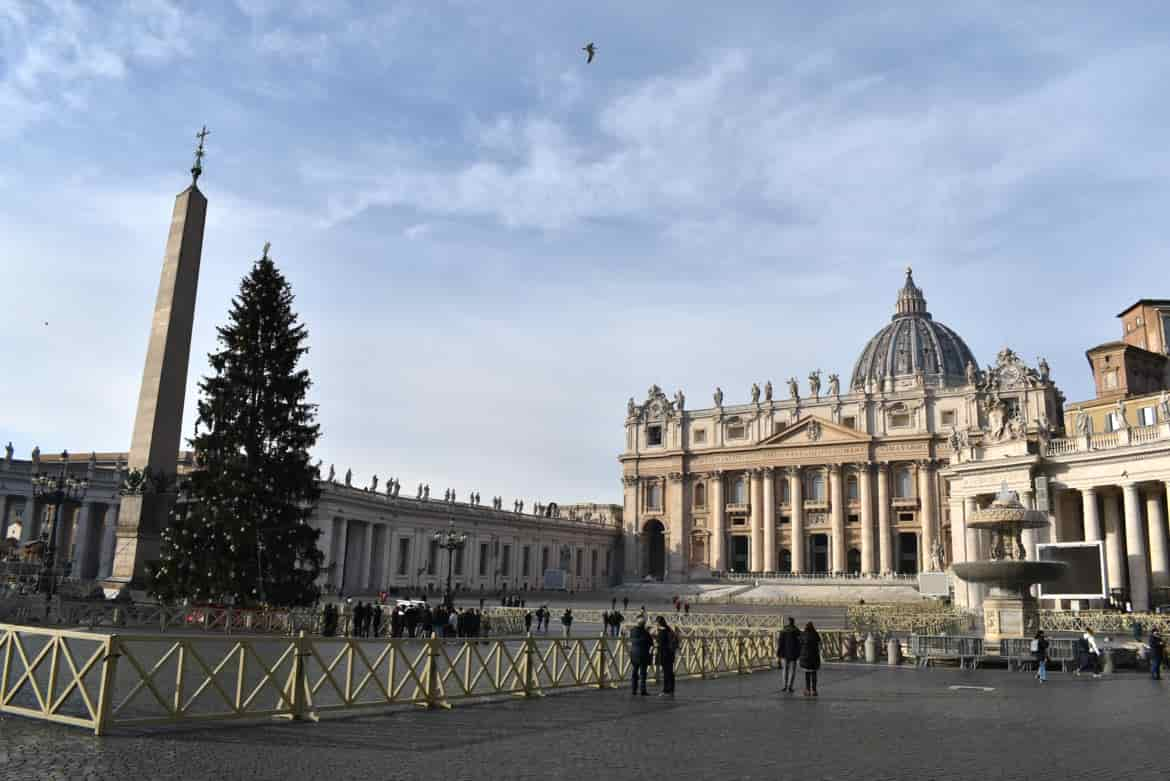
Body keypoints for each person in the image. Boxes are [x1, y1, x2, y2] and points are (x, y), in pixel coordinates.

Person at [629, 617, 653, 696]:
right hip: (643, 655)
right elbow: (650, 642)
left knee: (634, 672)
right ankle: (643, 690)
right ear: (644, 624)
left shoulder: (632, 631)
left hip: (634, 654)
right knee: (643, 674)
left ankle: (633, 690)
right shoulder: (645, 633)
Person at [777, 617, 802, 693]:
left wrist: (778, 653)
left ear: (787, 623)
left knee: (785, 670)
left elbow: (780, 643)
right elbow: (800, 643)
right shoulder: (797, 631)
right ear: (793, 622)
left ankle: (784, 686)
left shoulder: (783, 631)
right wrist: (799, 652)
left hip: (784, 653)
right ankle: (790, 687)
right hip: (794, 653)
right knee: (792, 671)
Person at [655, 616, 678, 697]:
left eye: (656, 623)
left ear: (658, 623)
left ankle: (666, 690)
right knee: (670, 672)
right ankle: (671, 690)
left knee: (666, 673)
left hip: (664, 654)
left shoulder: (662, 632)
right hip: (671, 654)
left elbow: (659, 643)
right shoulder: (669, 629)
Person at [799, 621, 821, 696]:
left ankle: (807, 690)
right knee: (814, 674)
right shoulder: (815, 634)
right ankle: (814, 690)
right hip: (814, 657)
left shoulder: (803, 634)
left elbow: (800, 643)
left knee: (807, 674)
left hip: (805, 657)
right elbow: (819, 643)